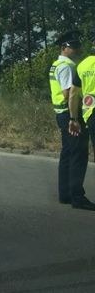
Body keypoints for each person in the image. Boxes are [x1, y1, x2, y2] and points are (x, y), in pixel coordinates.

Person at [51, 31, 93, 210]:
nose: (76, 49)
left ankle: (65, 194)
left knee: (67, 153)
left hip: (60, 112)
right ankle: (77, 196)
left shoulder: (56, 64)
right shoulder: (67, 66)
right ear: (63, 48)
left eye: (77, 46)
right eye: (72, 47)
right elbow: (69, 93)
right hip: (69, 113)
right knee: (78, 153)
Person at [70, 32, 95, 211]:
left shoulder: (82, 65)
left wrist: (73, 118)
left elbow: (73, 94)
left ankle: (76, 195)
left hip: (90, 116)